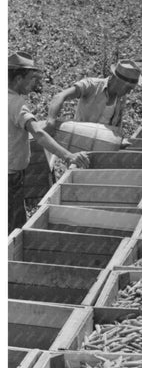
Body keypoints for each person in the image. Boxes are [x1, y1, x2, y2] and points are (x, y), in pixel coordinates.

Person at [8, 51, 90, 233]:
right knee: (14, 227)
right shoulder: (16, 104)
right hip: (10, 176)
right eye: (31, 79)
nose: (33, 85)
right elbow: (37, 133)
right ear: (19, 78)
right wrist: (68, 155)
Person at [45, 59, 142, 132]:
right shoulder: (91, 85)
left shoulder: (121, 98)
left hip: (102, 143)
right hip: (80, 137)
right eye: (128, 88)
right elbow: (60, 96)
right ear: (117, 81)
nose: (129, 92)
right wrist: (51, 120)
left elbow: (117, 127)